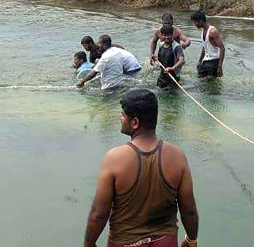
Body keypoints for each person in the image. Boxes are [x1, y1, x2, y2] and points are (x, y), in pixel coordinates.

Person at [83, 89, 199, 247]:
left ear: (135, 122)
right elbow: (189, 209)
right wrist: (191, 240)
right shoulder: (177, 156)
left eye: (123, 115)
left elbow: (99, 214)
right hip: (165, 241)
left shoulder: (114, 158)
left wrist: (89, 243)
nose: (120, 118)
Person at [191, 10, 225, 78]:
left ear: (201, 21)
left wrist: (219, 66)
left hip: (214, 61)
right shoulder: (203, 30)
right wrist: (199, 61)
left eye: (195, 22)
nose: (194, 24)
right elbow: (204, 48)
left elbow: (222, 48)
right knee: (200, 79)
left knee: (210, 84)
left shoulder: (212, 31)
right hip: (206, 60)